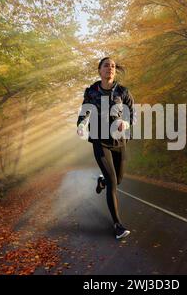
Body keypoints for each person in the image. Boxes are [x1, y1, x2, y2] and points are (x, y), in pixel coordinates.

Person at [76, 57, 136, 240]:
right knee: (112, 182)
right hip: (99, 140)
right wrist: (81, 125)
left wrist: (125, 124)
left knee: (117, 180)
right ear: (99, 70)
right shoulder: (92, 91)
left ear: (114, 71)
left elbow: (133, 114)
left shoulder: (123, 92)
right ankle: (117, 225)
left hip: (119, 141)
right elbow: (84, 112)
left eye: (112, 66)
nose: (109, 68)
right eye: (106, 66)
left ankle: (102, 180)